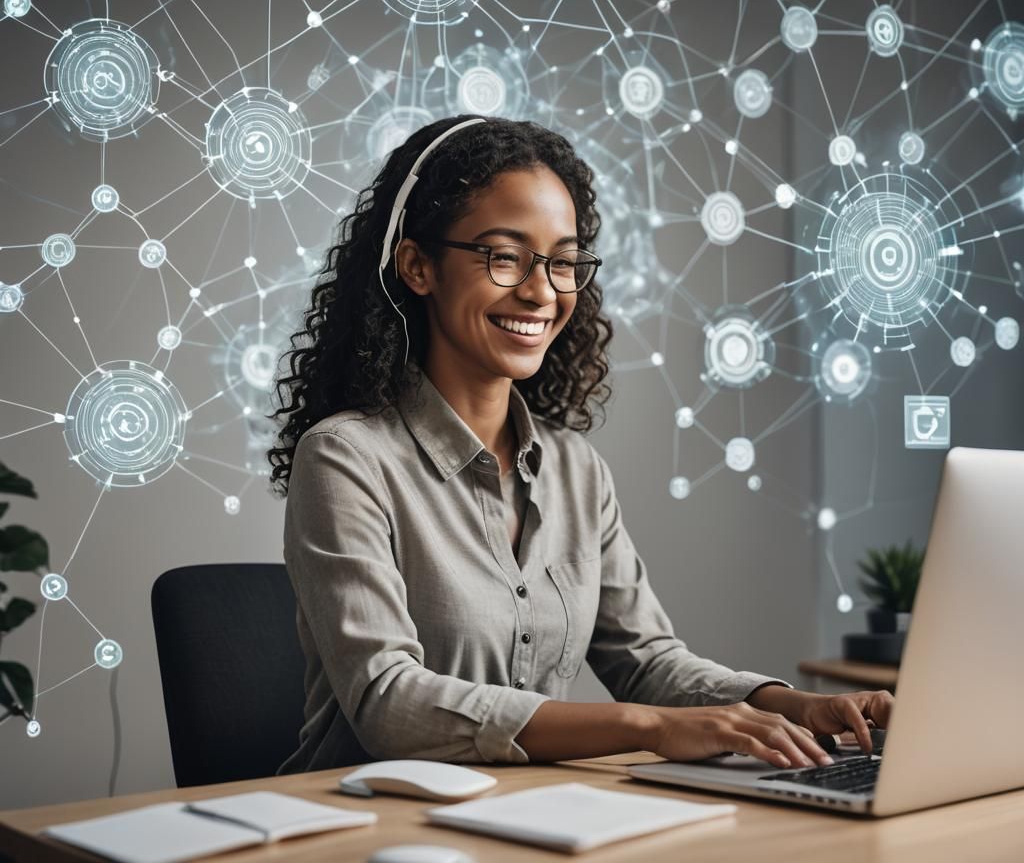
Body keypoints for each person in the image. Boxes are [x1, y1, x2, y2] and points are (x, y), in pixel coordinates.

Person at [269, 116, 892, 775]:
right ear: (418, 266)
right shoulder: (345, 458)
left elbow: (648, 661)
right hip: (366, 826)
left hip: (529, 818)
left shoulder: (575, 470)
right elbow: (390, 702)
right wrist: (650, 728)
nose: (541, 291)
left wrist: (793, 707)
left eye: (562, 262)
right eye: (504, 255)